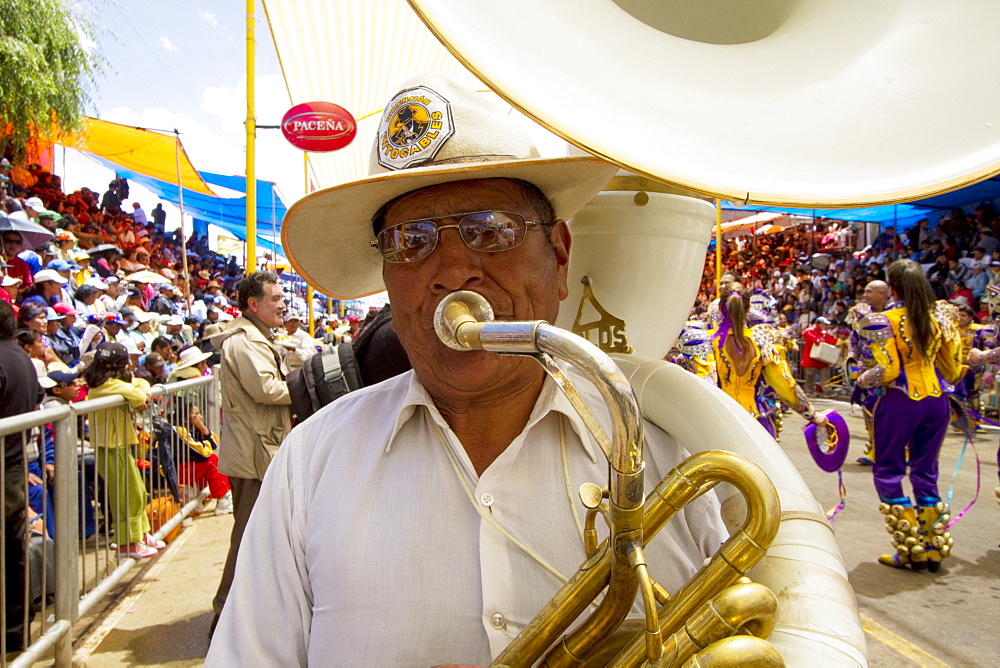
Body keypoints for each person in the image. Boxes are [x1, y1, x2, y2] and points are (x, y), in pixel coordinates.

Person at [206, 74, 727, 665]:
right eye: (410, 241)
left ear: (558, 258)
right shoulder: (309, 462)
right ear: (388, 283)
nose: (453, 270)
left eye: (491, 230)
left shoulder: (668, 454)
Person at [855, 259, 965, 572]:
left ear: (892, 287)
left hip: (900, 401)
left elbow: (887, 371)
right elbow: (954, 370)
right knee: (926, 471)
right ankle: (932, 548)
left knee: (889, 470)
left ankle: (909, 549)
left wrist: (862, 380)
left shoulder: (883, 321)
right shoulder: (939, 318)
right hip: (937, 402)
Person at [207, 271, 291, 635]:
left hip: (261, 448)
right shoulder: (243, 342)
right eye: (275, 298)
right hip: (253, 455)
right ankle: (224, 617)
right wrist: (308, 383)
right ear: (253, 304)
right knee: (247, 537)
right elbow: (268, 390)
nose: (282, 304)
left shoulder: (257, 337)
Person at [710, 282, 828, 438]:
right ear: (747, 309)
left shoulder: (706, 342)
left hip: (717, 423)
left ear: (720, 309)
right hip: (755, 423)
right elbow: (785, 383)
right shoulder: (763, 341)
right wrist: (812, 414)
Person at [84, 342, 166, 559]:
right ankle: (126, 543)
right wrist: (138, 392)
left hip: (120, 443)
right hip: (111, 446)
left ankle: (140, 533)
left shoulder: (114, 383)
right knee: (125, 495)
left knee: (137, 490)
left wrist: (137, 390)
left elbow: (139, 385)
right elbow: (139, 395)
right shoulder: (106, 385)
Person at [1, 299, 43, 650]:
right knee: (13, 549)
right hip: (14, 466)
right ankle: (15, 627)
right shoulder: (22, 358)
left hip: (6, 468)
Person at [800, 316, 838, 394]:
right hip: (811, 358)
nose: (825, 326)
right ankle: (810, 391)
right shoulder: (811, 330)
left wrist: (835, 339)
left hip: (821, 358)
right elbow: (806, 333)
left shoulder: (824, 333)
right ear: (818, 324)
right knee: (810, 376)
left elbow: (831, 342)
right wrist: (817, 339)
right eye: (823, 324)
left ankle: (828, 391)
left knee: (825, 376)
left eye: (825, 324)